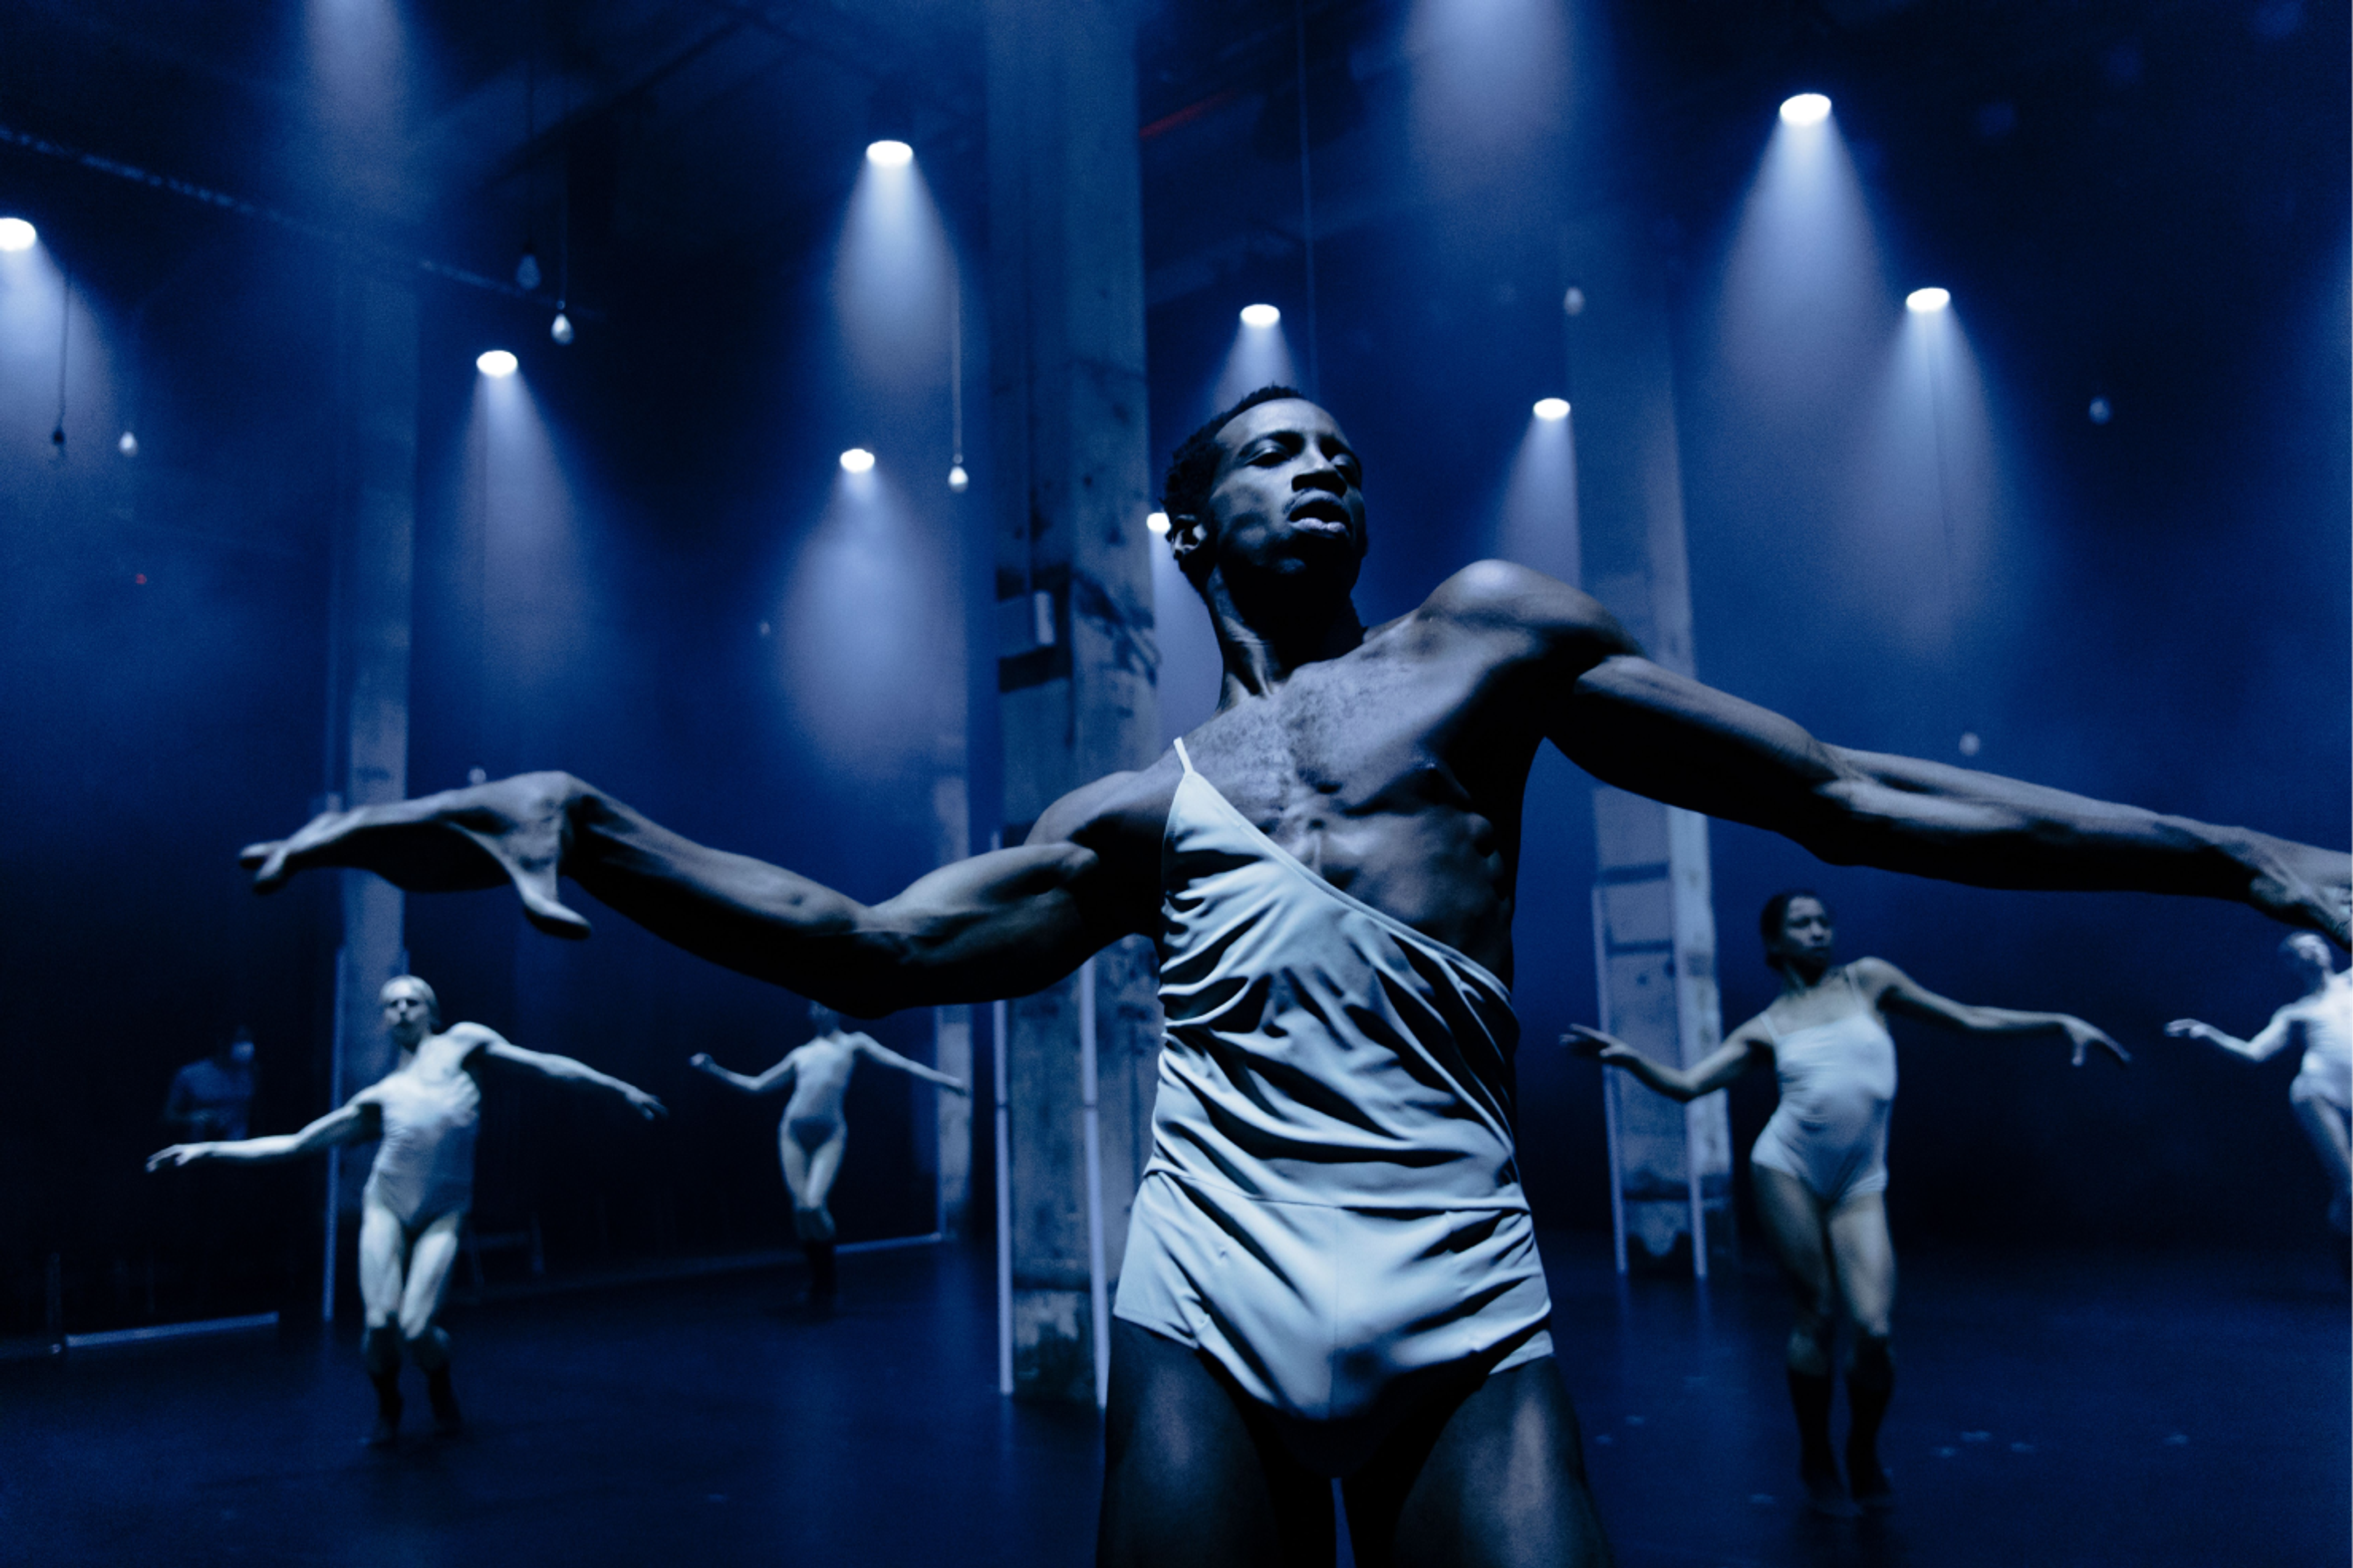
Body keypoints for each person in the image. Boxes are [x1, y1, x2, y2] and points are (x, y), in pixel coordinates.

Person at [233, 386, 2353, 1565]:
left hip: (1459, 1295)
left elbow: (1844, 793)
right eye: (1268, 449)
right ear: (1186, 528)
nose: (1321, 460)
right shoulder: (1129, 810)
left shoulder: (1490, 642)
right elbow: (868, 949)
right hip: (1209, 1301)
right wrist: (581, 822)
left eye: (1340, 443)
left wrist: (2235, 849)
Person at [1567, 891, 2124, 1515]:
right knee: (1818, 1316)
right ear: (1774, 945)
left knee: (1875, 1331)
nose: (1817, 931)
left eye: (1824, 921)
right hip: (1788, 1170)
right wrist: (1633, 1061)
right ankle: (1816, 1458)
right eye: (1801, 924)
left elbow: (1969, 1018)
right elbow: (1691, 1086)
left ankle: (1861, 1448)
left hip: (1861, 1182)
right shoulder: (1767, 1026)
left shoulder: (1871, 981)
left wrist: (2058, 1022)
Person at [149, 975, 665, 1445]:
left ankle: (440, 1389)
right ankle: (389, 1404)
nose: (400, 1009)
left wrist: (618, 1088)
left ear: (431, 1010)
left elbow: (548, 1066)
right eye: (390, 1004)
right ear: (384, 1019)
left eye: (410, 1001)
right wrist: (206, 1150)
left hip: (445, 1207)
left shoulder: (464, 1042)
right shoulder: (382, 1094)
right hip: (387, 1203)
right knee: (379, 1322)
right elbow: (297, 1144)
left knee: (417, 1327)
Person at [691, 1000, 971, 1301]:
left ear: (837, 1010)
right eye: (815, 1007)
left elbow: (901, 1063)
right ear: (811, 1014)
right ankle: (817, 1283)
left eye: (825, 1006)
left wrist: (946, 1081)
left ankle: (828, 1279)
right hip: (793, 1133)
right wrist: (713, 1069)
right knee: (801, 1210)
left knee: (813, 1205)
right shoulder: (802, 1053)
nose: (820, 1011)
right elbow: (757, 1086)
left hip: (830, 1134)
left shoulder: (854, 1043)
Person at [2169, 931, 2353, 1278]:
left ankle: (2344, 1228)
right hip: (2319, 1092)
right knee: (2351, 1187)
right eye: (2303, 948)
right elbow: (2255, 1053)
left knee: (2350, 1197)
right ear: (2292, 962)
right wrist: (2209, 1034)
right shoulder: (2296, 1011)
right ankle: (2348, 1256)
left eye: (2317, 943)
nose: (2314, 950)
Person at [162, 1027, 258, 1143]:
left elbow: (257, 1114)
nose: (247, 1046)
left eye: (248, 1040)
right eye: (240, 1040)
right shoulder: (190, 1074)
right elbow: (167, 1117)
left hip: (238, 1149)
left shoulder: (252, 1072)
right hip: (199, 1149)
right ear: (222, 1042)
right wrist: (192, 1118)